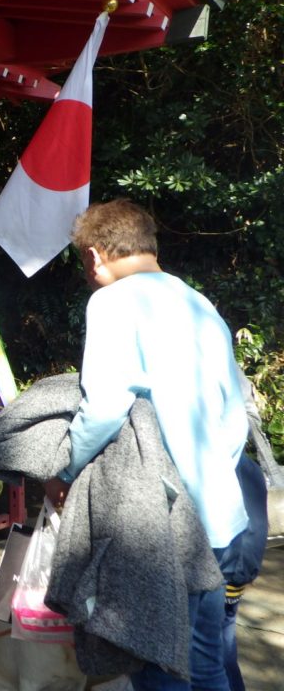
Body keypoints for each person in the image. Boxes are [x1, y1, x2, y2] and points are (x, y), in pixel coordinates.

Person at [51, 199, 250, 691]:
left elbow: (103, 407)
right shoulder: (198, 301)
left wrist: (65, 468)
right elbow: (235, 414)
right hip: (220, 515)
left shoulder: (113, 302)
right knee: (205, 664)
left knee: (159, 671)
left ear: (94, 255)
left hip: (161, 524)